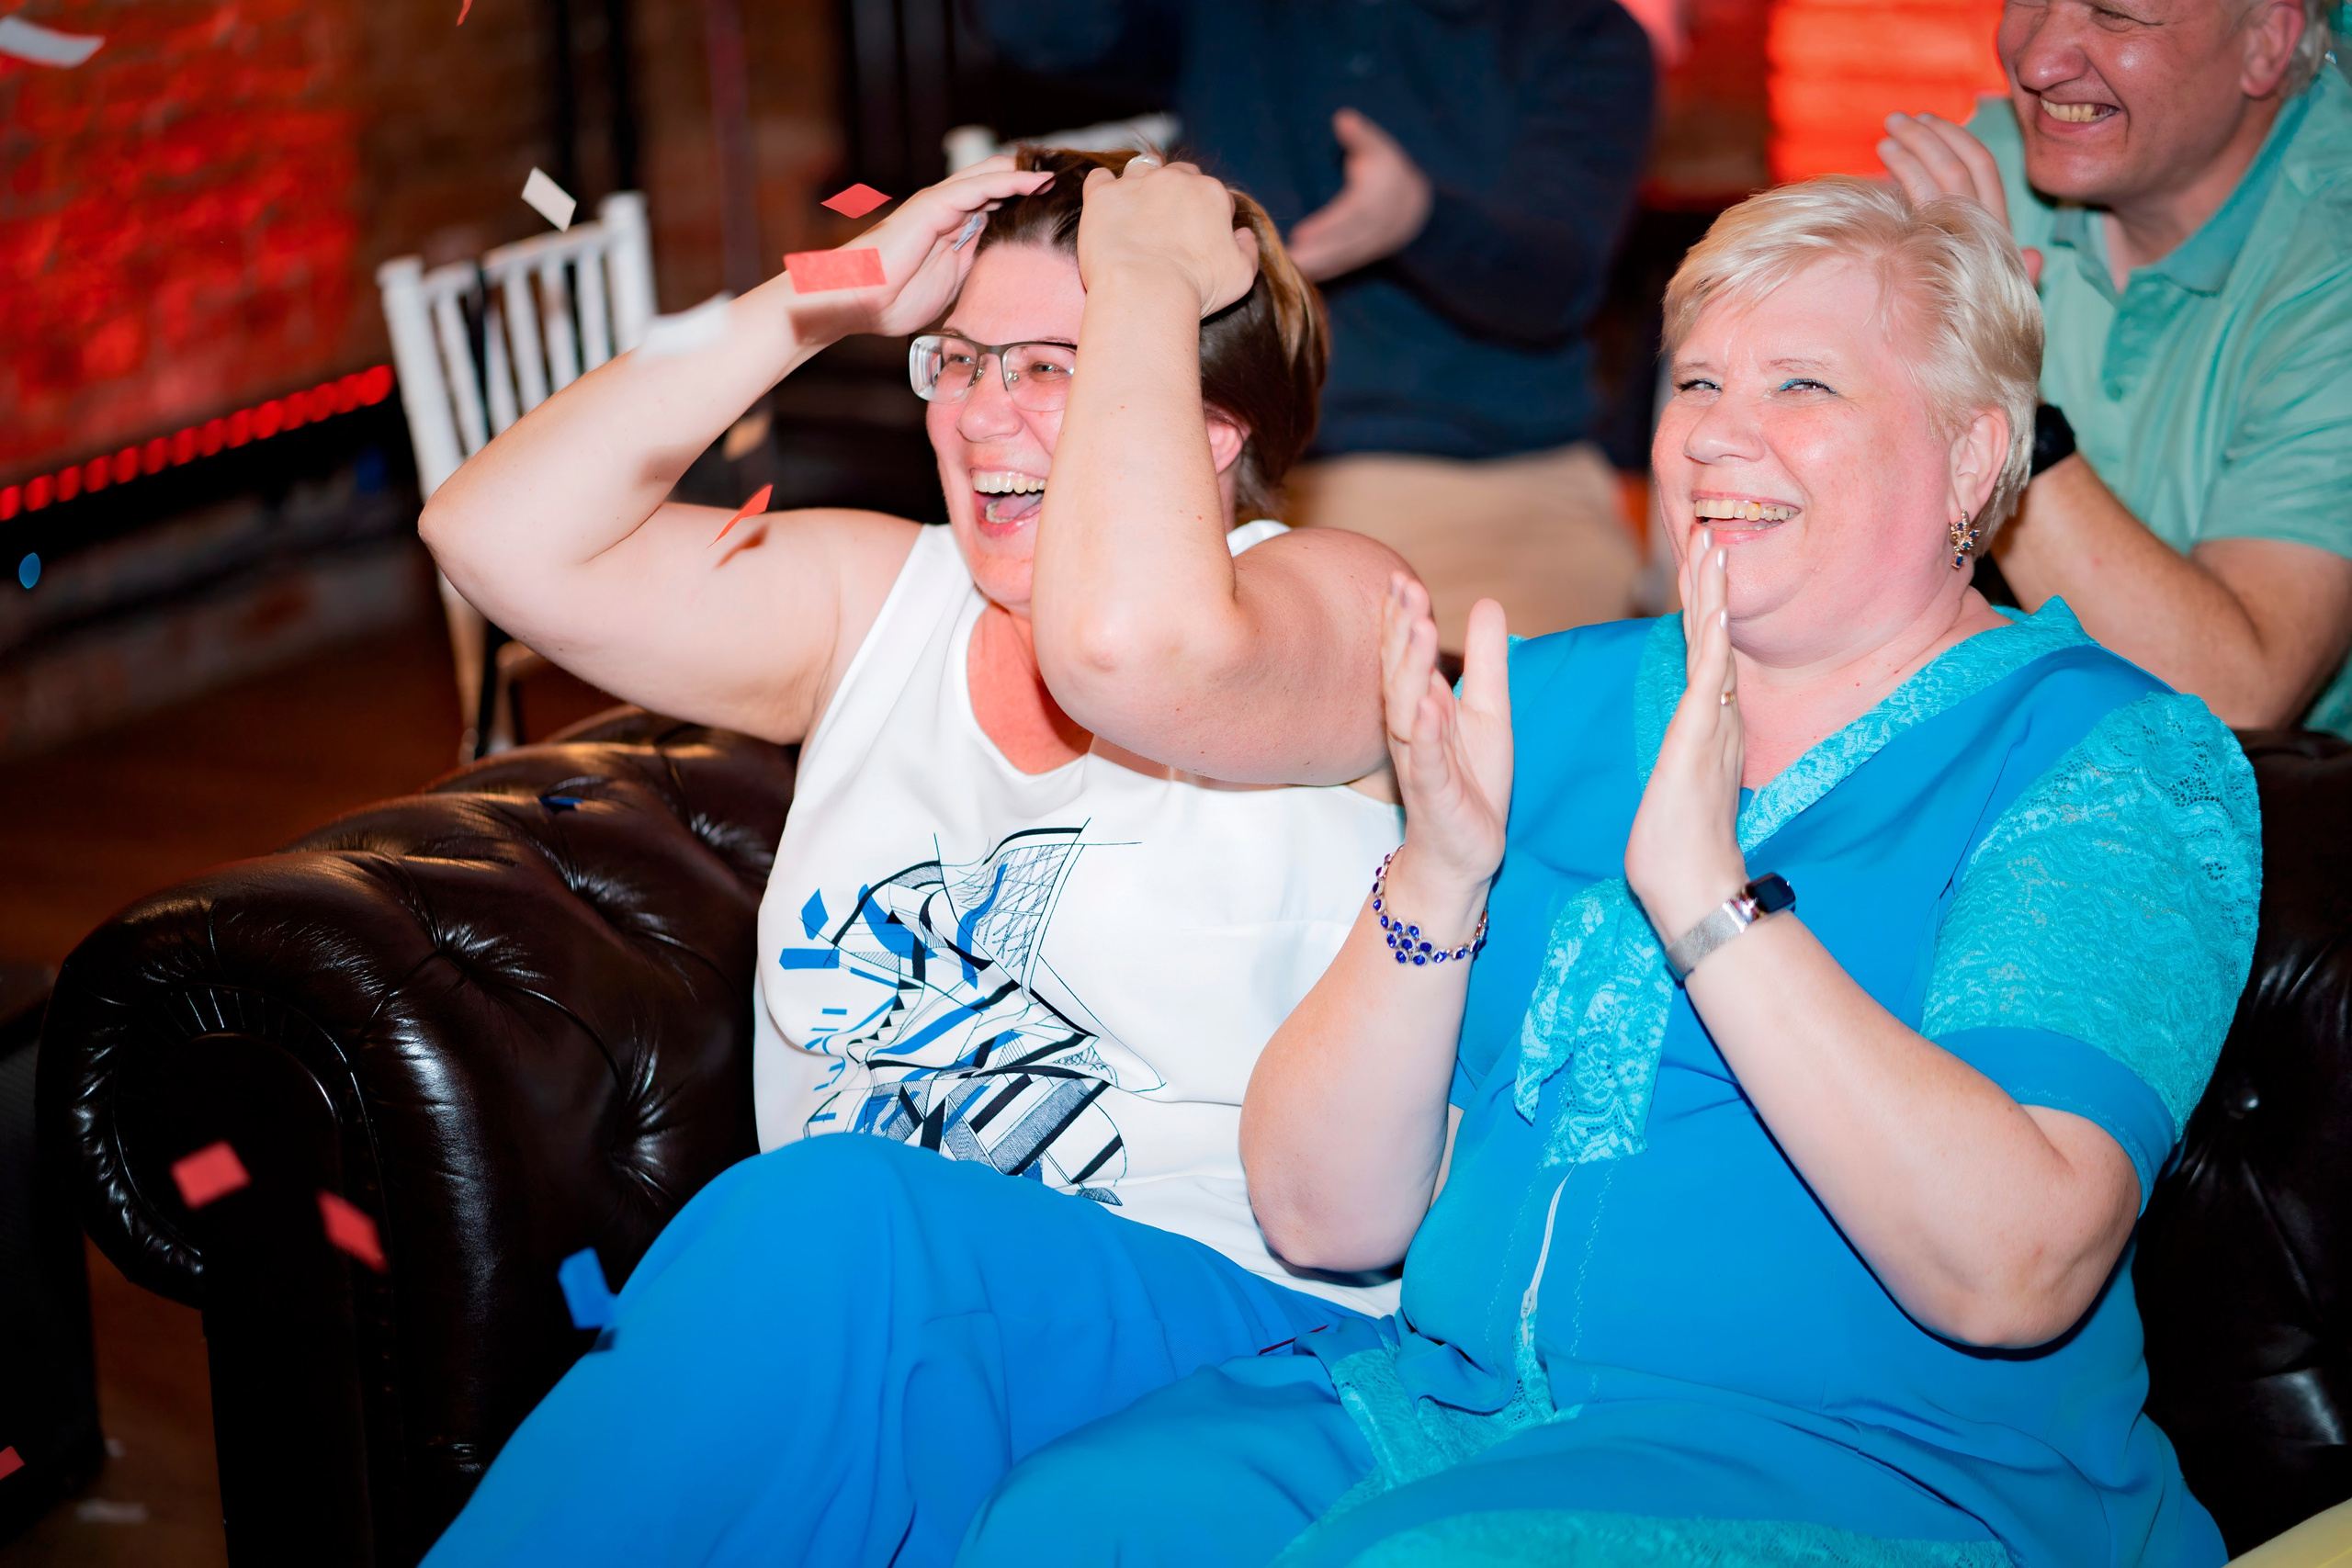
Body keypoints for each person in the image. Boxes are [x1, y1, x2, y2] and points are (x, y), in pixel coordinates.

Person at [951, 178, 2262, 1566]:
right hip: (1444, 1413)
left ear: (1970, 453)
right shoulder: (1548, 699)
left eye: (1801, 383)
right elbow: (1322, 1216)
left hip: (1889, 1476)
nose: (1716, 435)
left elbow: (2015, 1267)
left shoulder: (2108, 755)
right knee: (1063, 1523)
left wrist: (1710, 904)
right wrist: (1439, 878)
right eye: (1695, 382)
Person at [417, 149, 1412, 1564]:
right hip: (877, 1318)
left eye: (1053, 365)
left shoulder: (1338, 601)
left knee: (830, 1218)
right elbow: (488, 532)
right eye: (959, 358)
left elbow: (1127, 647)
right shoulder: (883, 598)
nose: (981, 411)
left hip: (1225, 1323)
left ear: (1205, 426)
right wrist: (828, 293)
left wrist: (1145, 271)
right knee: (824, 1245)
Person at [975, 0, 1657, 649]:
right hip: (1205, 470)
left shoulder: (1580, 30)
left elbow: (1557, 283)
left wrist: (1420, 219)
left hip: (1484, 489)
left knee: (1499, 715)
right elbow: (1044, 31)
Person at [1879, 0, 2352, 735]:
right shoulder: (1986, 165)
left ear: (2264, 42)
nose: (2036, 64)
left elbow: (2235, 698)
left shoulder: (2333, 258)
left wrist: (2000, 397)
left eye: (2112, 13)